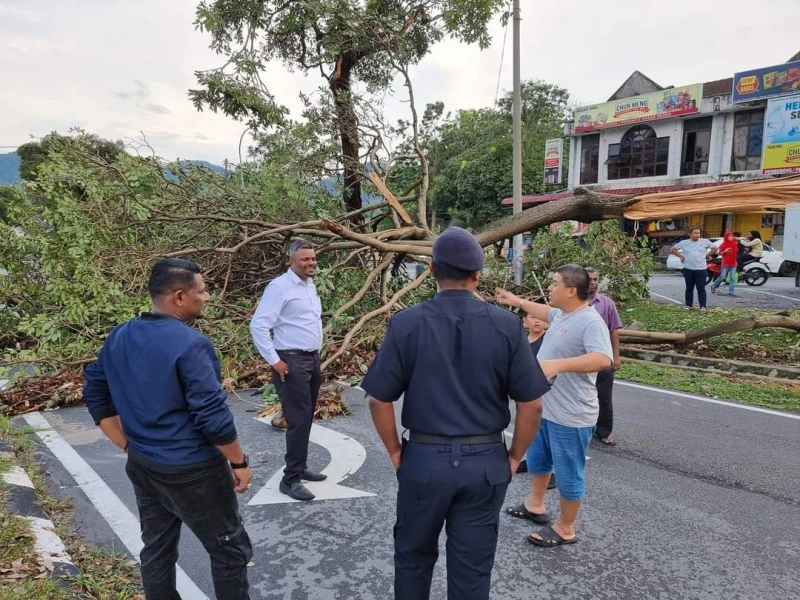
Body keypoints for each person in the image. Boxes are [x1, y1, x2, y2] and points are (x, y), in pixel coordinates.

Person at [362, 227, 550, 600]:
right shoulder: (506, 324)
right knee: (472, 570)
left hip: (423, 459)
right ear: (478, 275)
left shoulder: (406, 323)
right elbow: (532, 403)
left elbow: (378, 400)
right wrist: (514, 458)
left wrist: (397, 453)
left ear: (431, 270)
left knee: (413, 558)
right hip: (485, 463)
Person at [83, 258, 254, 600]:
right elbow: (212, 417)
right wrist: (239, 463)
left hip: (145, 466)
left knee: (157, 548)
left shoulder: (120, 334)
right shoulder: (190, 344)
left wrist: (127, 446)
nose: (206, 297)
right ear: (179, 296)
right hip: (193, 471)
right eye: (201, 291)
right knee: (229, 550)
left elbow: (95, 392)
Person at [496, 265, 613, 547]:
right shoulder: (563, 313)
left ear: (571, 291)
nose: (550, 287)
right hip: (546, 410)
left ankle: (565, 528)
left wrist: (557, 365)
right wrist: (517, 302)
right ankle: (535, 505)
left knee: (569, 472)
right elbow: (544, 311)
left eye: (555, 283)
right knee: (538, 461)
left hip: (572, 416)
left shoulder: (590, 321)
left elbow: (604, 359)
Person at [250, 239, 325, 501]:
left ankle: (301, 467)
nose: (311, 263)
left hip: (311, 360)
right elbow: (258, 326)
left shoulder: (309, 285)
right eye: (305, 259)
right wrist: (275, 360)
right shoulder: (279, 288)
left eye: (313, 258)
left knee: (306, 417)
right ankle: (290, 479)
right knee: (297, 419)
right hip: (291, 361)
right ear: (291, 261)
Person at [515, 312, 557, 489]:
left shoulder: (550, 341)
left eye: (540, 317)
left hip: (547, 393)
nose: (537, 321)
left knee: (548, 432)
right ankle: (531, 460)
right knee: (529, 428)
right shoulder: (521, 341)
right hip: (525, 392)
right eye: (532, 317)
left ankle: (550, 471)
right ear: (524, 321)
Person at [586, 268, 623, 446]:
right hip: (579, 360)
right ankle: (581, 426)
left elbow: (613, 331)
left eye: (596, 279)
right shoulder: (573, 302)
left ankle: (604, 431)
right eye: (590, 279)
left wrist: (616, 356)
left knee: (604, 396)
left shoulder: (606, 304)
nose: (593, 282)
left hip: (602, 358)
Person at [669, 227, 717, 313]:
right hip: (688, 269)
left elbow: (715, 248)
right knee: (689, 287)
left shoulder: (704, 241)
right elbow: (673, 249)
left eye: (698, 233)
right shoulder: (684, 243)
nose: (697, 235)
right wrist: (680, 256)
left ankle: (702, 306)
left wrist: (707, 255)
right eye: (695, 233)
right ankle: (688, 305)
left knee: (701, 288)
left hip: (701, 269)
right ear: (690, 234)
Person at [710, 231, 739, 297]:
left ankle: (731, 292)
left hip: (733, 262)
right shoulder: (723, 244)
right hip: (725, 262)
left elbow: (736, 251)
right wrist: (725, 251)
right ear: (726, 237)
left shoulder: (735, 243)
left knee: (732, 278)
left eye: (731, 236)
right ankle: (713, 286)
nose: (730, 237)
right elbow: (719, 253)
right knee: (722, 277)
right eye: (729, 236)